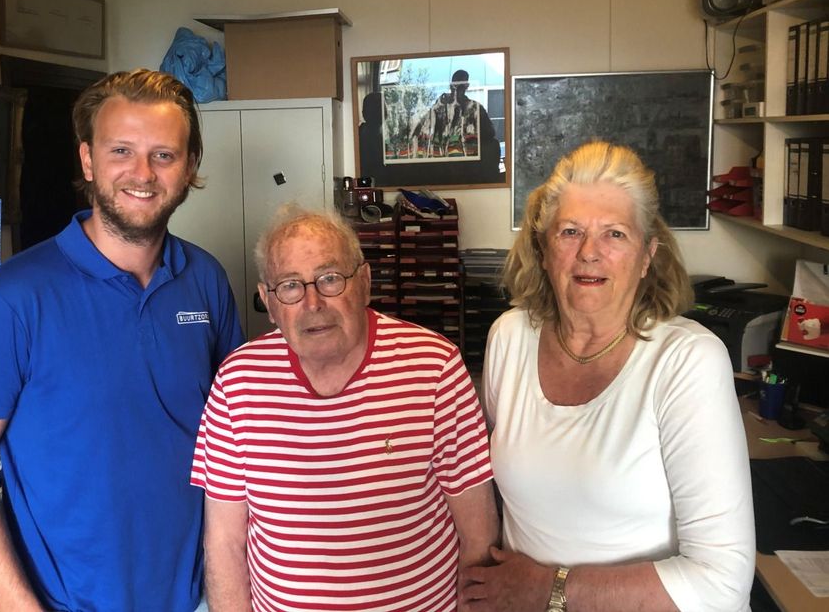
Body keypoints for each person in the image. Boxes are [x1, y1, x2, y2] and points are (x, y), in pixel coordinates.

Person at [0, 69, 245, 612]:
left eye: (164, 155)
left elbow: (240, 436)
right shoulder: (10, 300)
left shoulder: (205, 279)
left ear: (190, 166)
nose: (141, 173)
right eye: (121, 150)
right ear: (87, 160)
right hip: (69, 603)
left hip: (200, 596)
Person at [463, 141, 755, 612]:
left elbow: (721, 584)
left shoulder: (688, 361)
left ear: (646, 256)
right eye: (570, 232)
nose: (589, 253)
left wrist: (547, 590)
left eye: (615, 234)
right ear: (543, 248)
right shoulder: (509, 338)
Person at [191, 206, 497, 611]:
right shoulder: (237, 382)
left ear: (365, 283)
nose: (313, 303)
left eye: (330, 279)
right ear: (268, 301)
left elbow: (478, 538)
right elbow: (225, 544)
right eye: (290, 287)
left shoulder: (434, 367)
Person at [410, 70, 501, 183]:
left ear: (466, 87)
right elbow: (422, 130)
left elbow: (489, 133)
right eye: (455, 87)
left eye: (460, 87)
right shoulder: (439, 108)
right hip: (445, 163)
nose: (457, 91)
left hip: (466, 164)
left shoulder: (475, 108)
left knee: (492, 145)